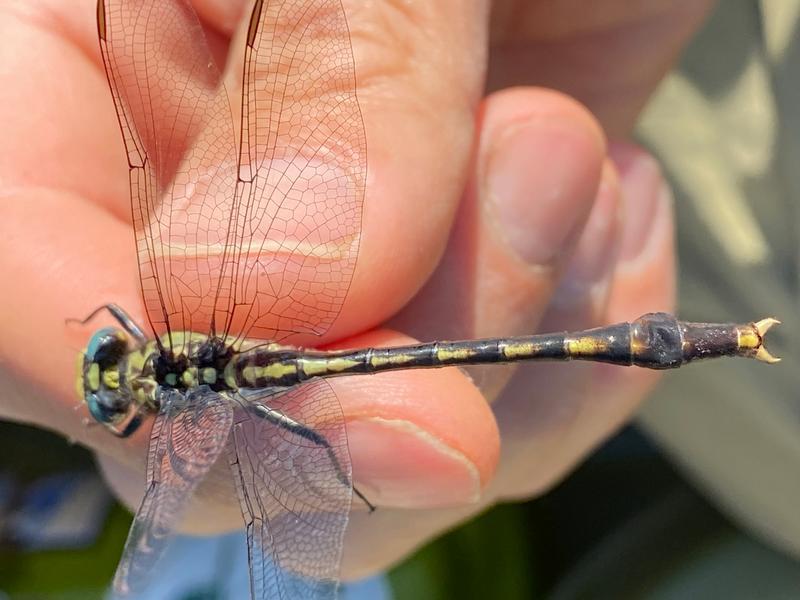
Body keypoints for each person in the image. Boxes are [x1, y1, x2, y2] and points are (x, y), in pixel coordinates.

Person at [4, 0, 791, 586]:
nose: (113, 366)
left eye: (108, 361)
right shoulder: (185, 317)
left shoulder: (194, 334)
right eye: (115, 389)